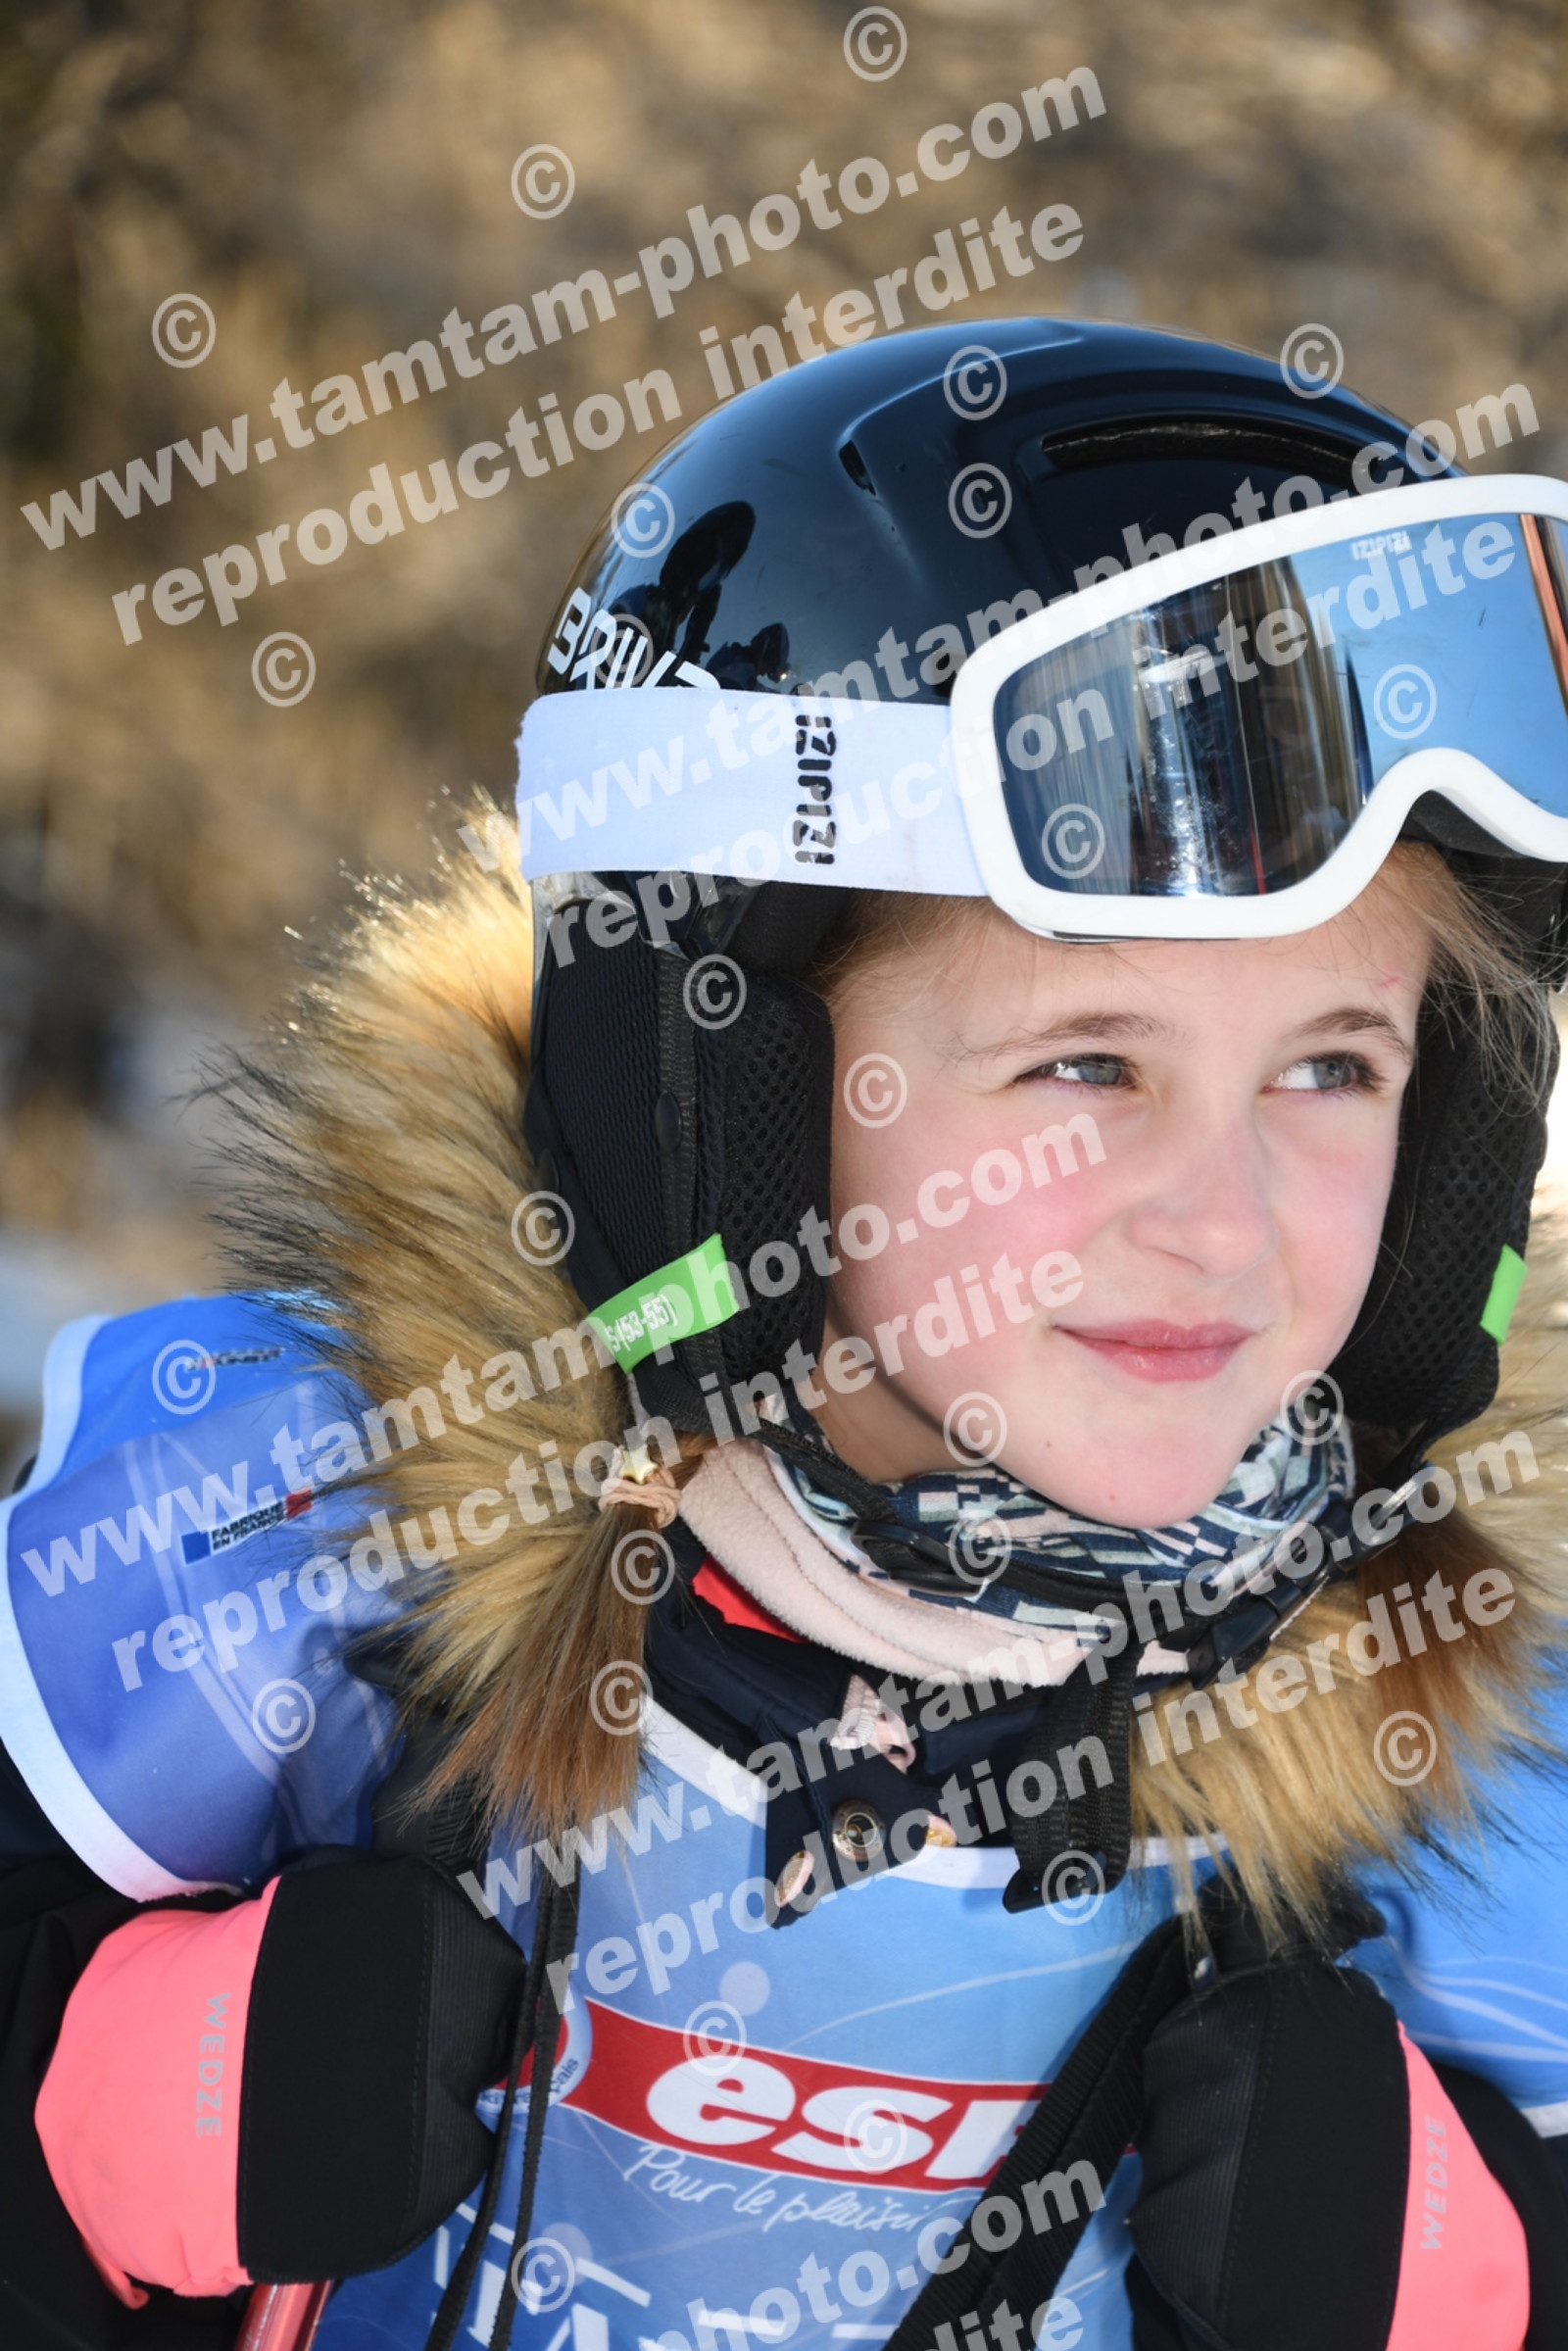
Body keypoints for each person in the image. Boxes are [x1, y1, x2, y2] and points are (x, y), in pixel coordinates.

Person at [5, 318, 1568, 2351]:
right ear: (709, 1112)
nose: (1223, 1221)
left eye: (1334, 1070)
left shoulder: (1463, 1767)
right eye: (1087, 1063)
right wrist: (77, 2142)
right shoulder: (290, 1555)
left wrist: (1491, 2275)